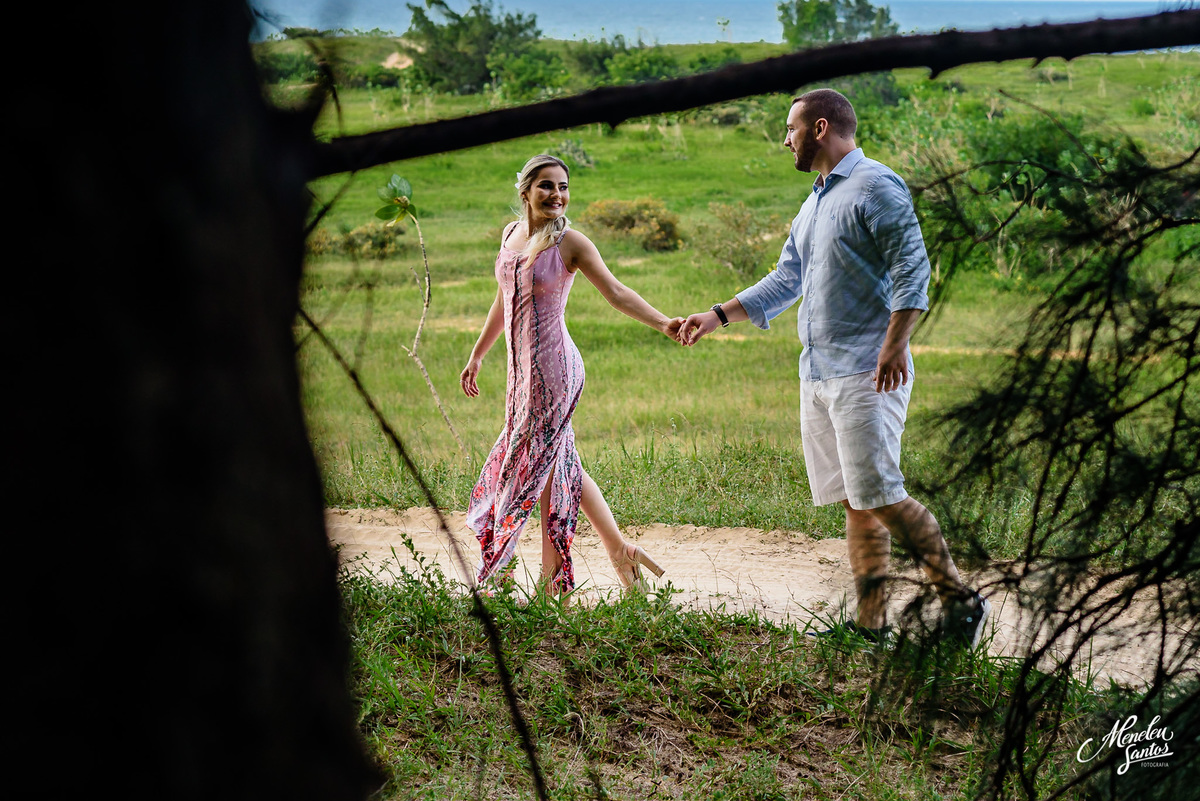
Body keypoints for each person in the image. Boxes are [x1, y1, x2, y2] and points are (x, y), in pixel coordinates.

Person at [678, 89, 991, 647]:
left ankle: (959, 601)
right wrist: (717, 315)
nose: (786, 139)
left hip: (867, 372)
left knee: (882, 493)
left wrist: (896, 343)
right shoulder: (814, 202)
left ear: (820, 128)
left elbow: (911, 269)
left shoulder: (875, 185)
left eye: (791, 129)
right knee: (857, 500)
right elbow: (786, 280)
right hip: (818, 371)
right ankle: (870, 625)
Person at [461, 154, 678, 600]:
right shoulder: (512, 235)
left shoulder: (570, 243)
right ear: (525, 191)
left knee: (527, 470)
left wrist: (663, 323)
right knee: (558, 464)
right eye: (546, 186)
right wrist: (478, 353)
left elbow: (616, 292)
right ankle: (620, 551)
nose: (557, 195)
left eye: (563, 187)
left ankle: (528, 580)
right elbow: (504, 299)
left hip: (556, 372)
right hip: (520, 374)